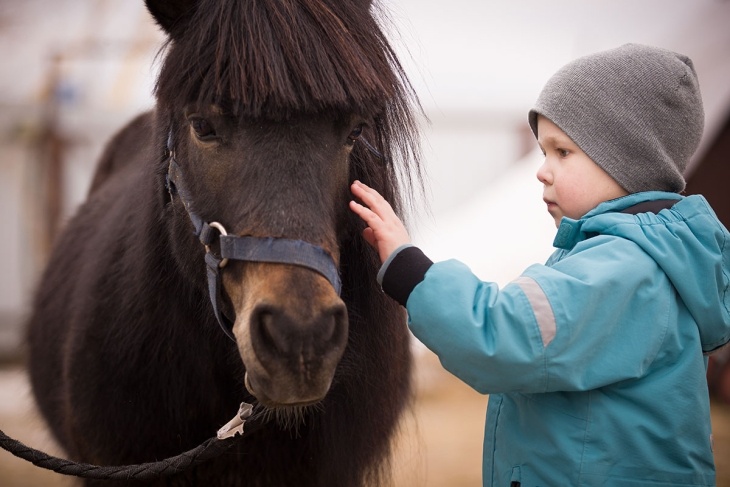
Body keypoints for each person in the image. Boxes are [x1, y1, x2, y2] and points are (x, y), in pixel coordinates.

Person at [349, 43, 730, 486]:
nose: (541, 170)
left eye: (562, 152)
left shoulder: (623, 271)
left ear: (629, 161)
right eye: (542, 151)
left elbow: (502, 335)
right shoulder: (634, 260)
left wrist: (409, 269)